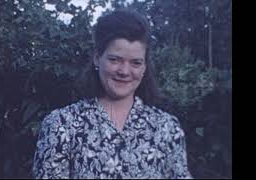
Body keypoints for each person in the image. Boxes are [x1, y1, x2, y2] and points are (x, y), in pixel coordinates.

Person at [33, 9, 192, 179]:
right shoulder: (61, 125)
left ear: (145, 67)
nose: (124, 71)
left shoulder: (167, 128)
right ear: (97, 58)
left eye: (136, 63)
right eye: (115, 60)